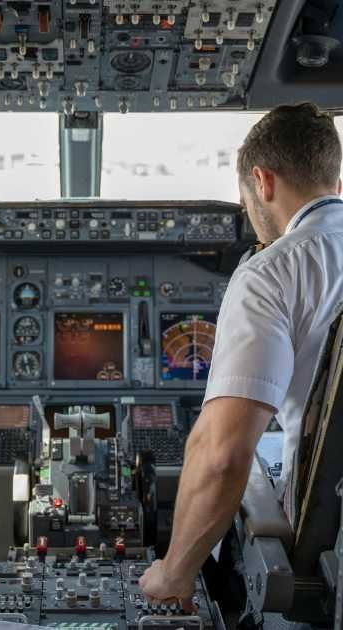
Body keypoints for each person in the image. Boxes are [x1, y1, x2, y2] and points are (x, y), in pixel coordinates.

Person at [140, 102, 343, 614]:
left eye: (245, 197)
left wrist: (172, 574)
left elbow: (223, 453)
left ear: (262, 180)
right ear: (334, 182)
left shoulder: (275, 271)